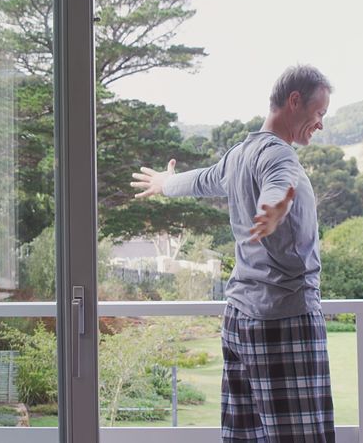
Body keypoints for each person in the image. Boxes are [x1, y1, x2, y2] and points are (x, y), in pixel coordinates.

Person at [131, 65, 335, 442]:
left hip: (240, 320)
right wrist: (274, 209)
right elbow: (279, 184)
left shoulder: (240, 154)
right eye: (319, 112)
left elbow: (200, 179)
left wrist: (164, 183)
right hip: (283, 321)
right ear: (294, 102)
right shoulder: (279, 156)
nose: (320, 123)